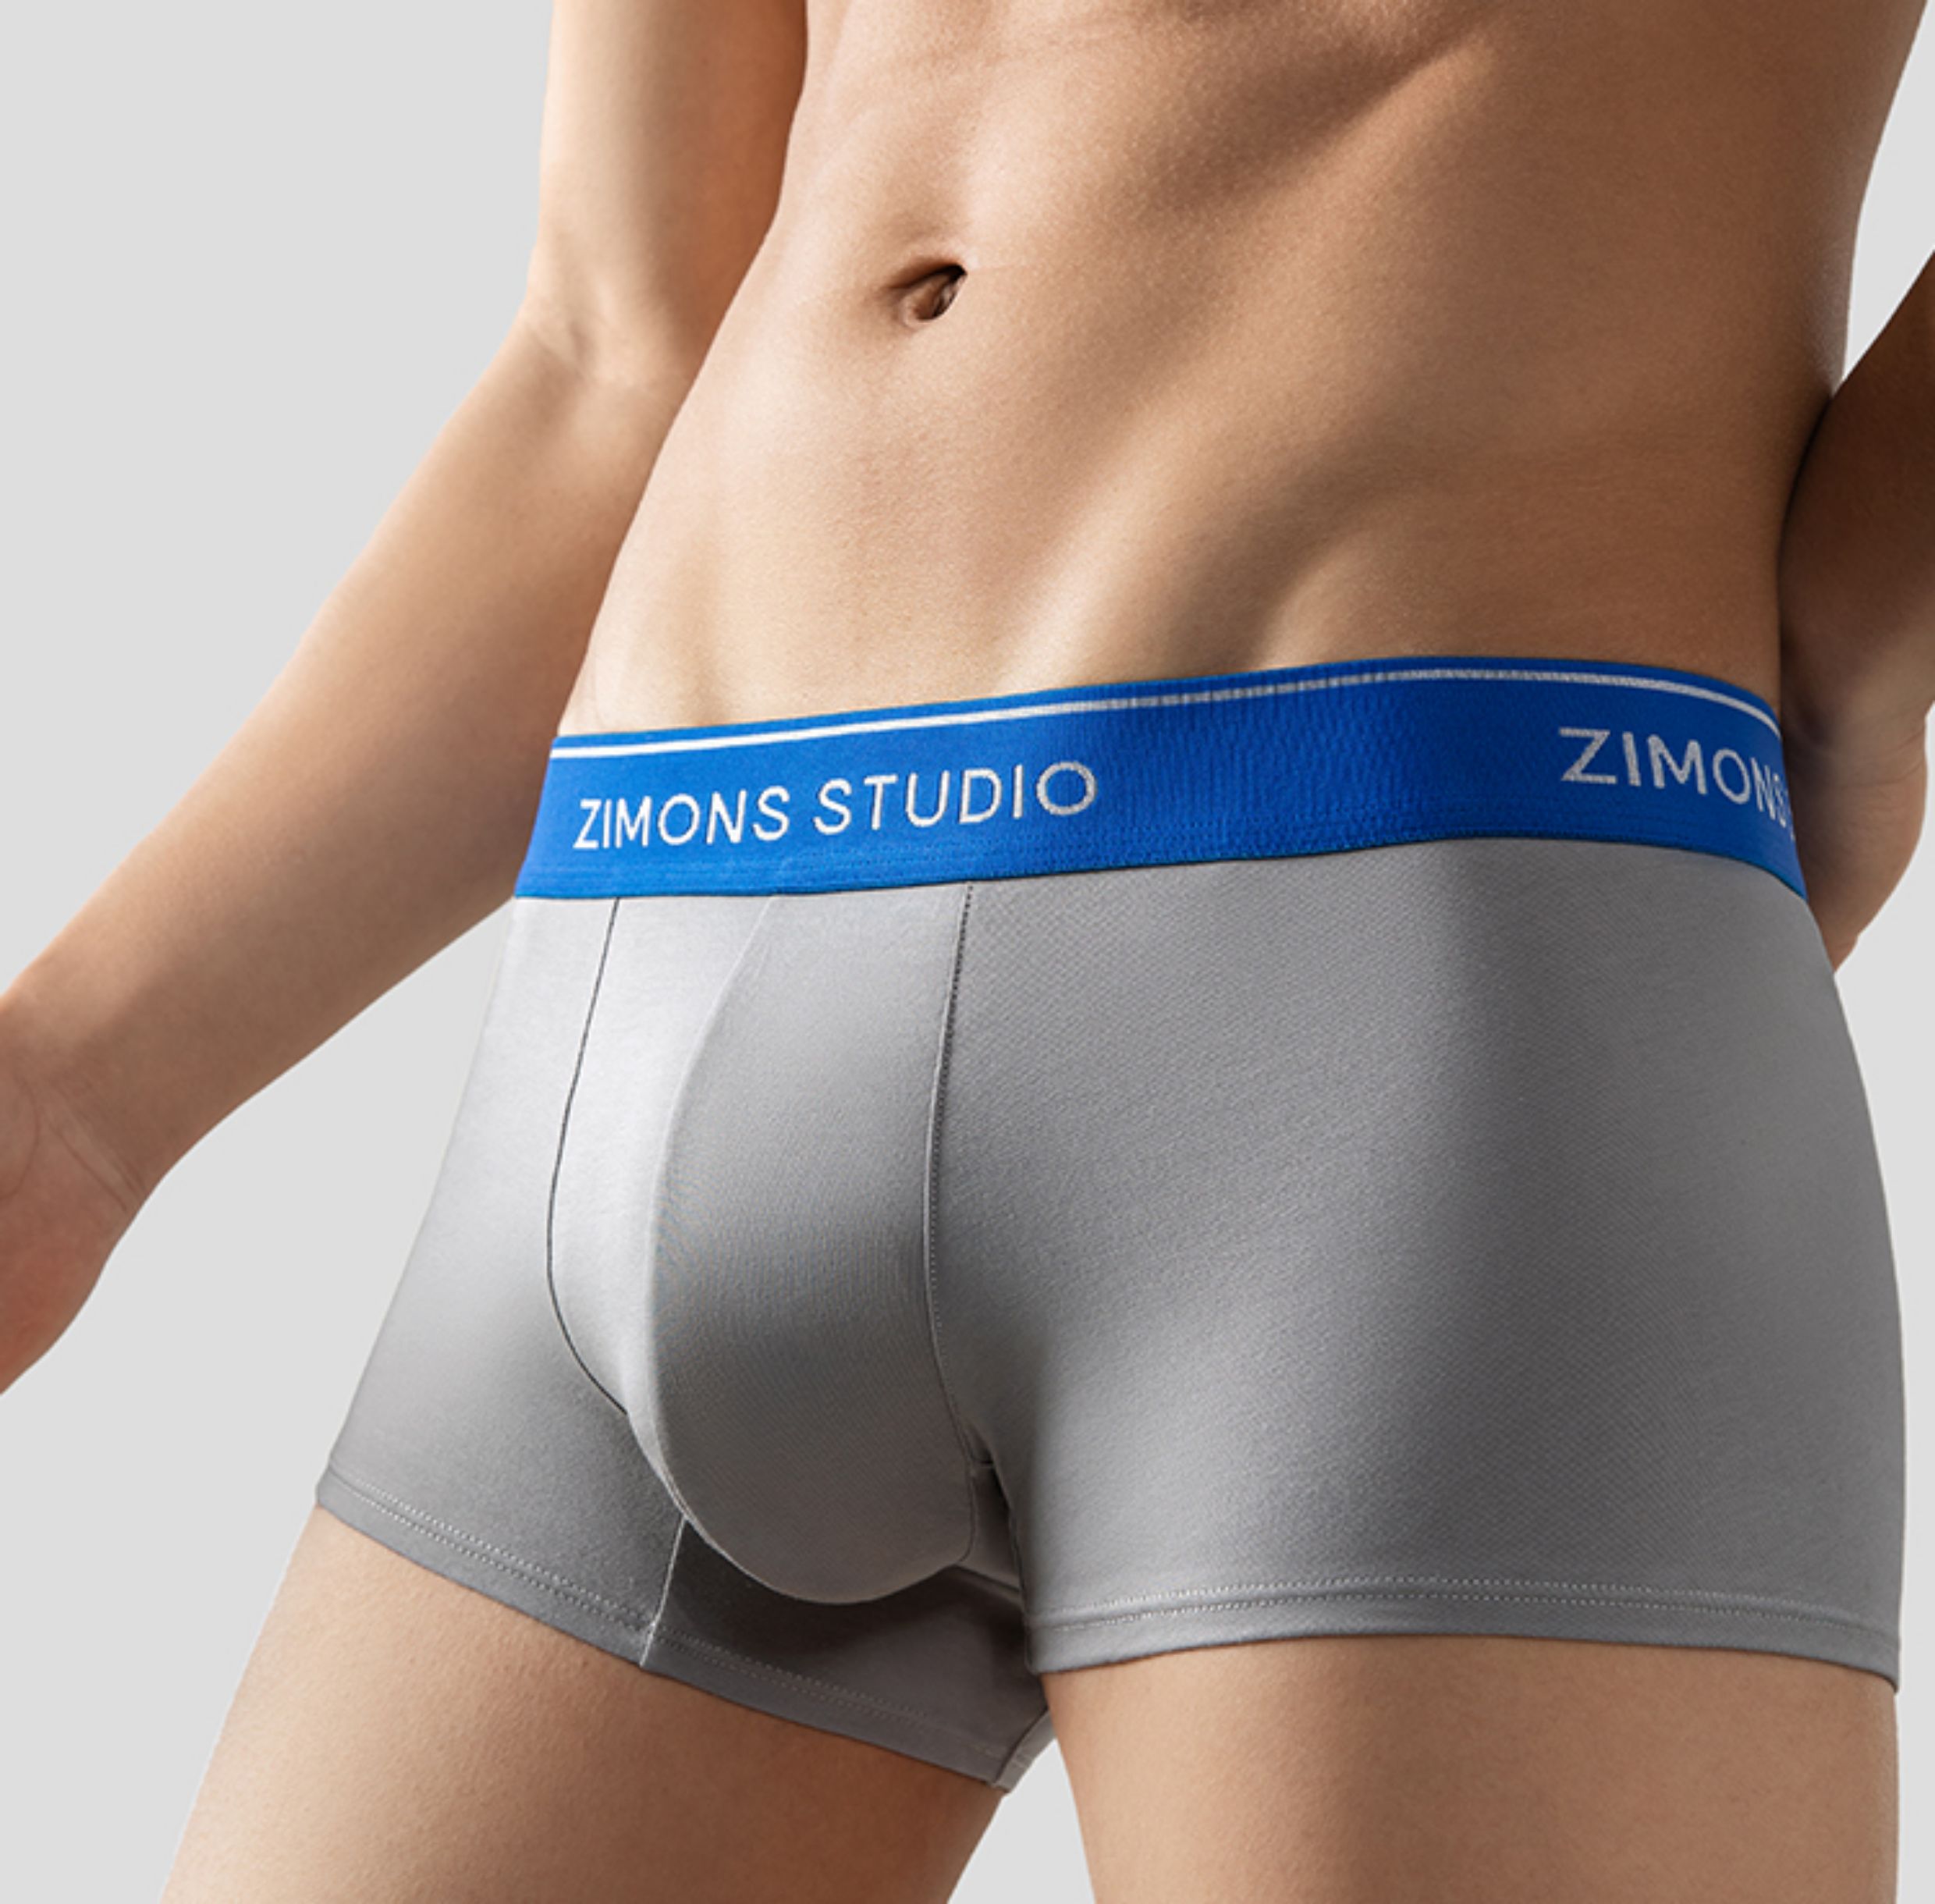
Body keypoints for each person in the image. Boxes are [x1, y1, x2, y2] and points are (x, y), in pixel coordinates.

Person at [1, 0, 1926, 1894]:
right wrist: (73, 1095)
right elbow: (615, 349)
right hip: (639, 978)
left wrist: (1856, 653)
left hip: (1390, 972)